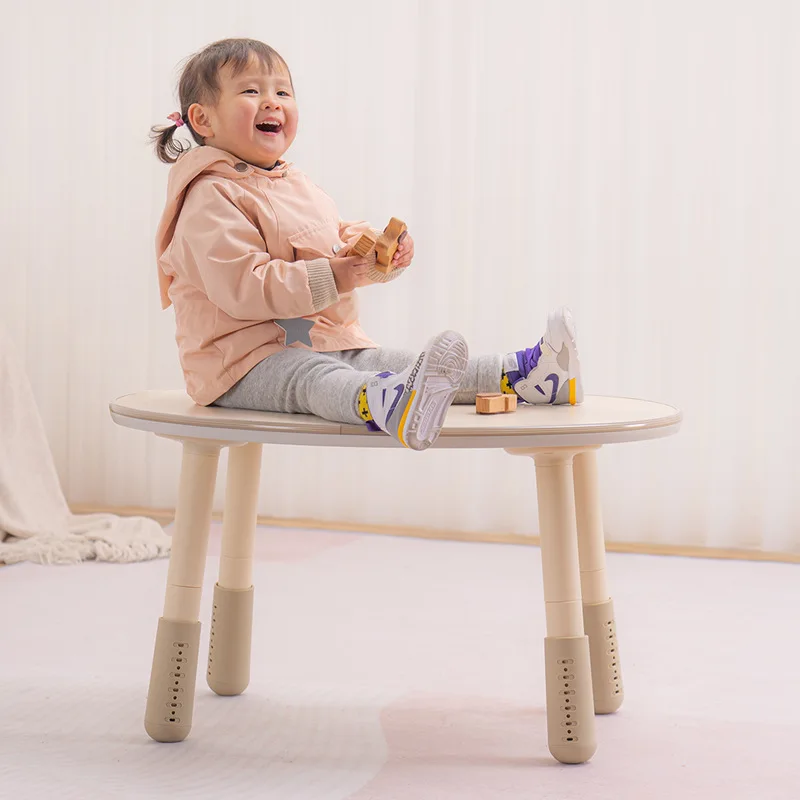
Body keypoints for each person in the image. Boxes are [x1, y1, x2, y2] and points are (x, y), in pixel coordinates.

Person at [150, 38, 583, 452]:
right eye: (251, 90)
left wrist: (379, 253)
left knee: (398, 362)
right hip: (240, 363)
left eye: (283, 90)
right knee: (312, 378)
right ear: (203, 119)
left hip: (319, 338)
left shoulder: (292, 183)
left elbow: (336, 240)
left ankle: (526, 375)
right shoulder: (209, 196)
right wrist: (332, 276)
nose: (272, 101)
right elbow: (243, 286)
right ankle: (383, 402)